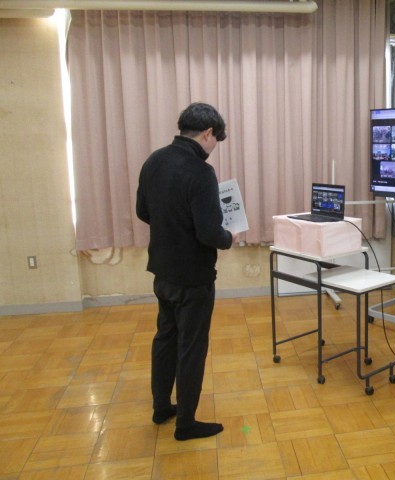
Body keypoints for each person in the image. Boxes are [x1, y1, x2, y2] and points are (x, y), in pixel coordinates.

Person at [136, 102, 237, 441]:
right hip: (194, 276)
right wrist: (229, 238)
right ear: (207, 133)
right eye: (215, 140)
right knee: (192, 346)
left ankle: (161, 407)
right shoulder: (200, 172)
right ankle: (186, 424)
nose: (214, 147)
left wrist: (171, 223)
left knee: (165, 338)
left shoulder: (154, 160)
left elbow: (143, 211)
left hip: (162, 270)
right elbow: (209, 233)